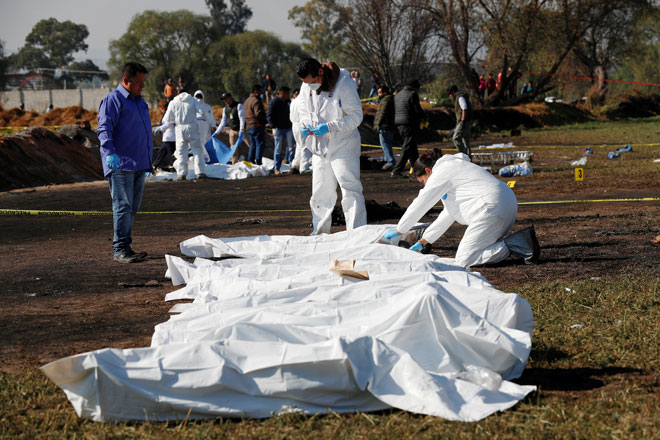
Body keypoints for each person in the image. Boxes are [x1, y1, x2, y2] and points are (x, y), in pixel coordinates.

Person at [383, 149, 539, 267]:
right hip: (504, 204)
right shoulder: (456, 168)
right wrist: (424, 241)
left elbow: (421, 203)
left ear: (428, 171)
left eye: (423, 181)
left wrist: (400, 229)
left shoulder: (442, 172)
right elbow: (449, 214)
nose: (425, 185)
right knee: (475, 250)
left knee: (464, 259)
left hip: (490, 207)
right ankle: (516, 243)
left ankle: (518, 244)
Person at [295, 57, 367, 234]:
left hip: (344, 145)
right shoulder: (307, 86)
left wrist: (329, 127)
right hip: (320, 148)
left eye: (312, 82)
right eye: (306, 83)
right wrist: (305, 124)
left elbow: (356, 116)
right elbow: (304, 112)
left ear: (320, 72)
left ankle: (356, 233)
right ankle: (320, 232)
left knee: (350, 188)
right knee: (320, 192)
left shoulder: (344, 83)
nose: (310, 86)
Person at [97, 62, 152, 263]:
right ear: (126, 80)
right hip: (120, 165)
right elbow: (104, 129)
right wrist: (109, 153)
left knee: (132, 208)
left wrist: (147, 161)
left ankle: (126, 246)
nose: (142, 86)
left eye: (143, 82)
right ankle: (119, 249)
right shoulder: (113, 100)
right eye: (138, 82)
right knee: (122, 206)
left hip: (139, 164)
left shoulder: (140, 102)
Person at [163, 88, 209, 180]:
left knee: (181, 152)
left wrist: (176, 120)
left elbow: (167, 118)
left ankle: (181, 174)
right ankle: (200, 172)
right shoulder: (193, 100)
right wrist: (206, 118)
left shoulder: (174, 102)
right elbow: (203, 112)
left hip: (180, 128)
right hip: (192, 127)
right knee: (197, 150)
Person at [391, 79, 425, 177]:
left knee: (412, 147)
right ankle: (396, 170)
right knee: (407, 147)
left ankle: (417, 170)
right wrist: (424, 117)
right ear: (415, 87)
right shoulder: (412, 94)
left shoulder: (398, 94)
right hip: (409, 123)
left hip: (398, 123)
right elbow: (417, 109)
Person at [214, 92, 248, 165]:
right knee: (233, 150)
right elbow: (223, 122)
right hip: (232, 131)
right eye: (224, 100)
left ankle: (254, 161)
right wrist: (217, 132)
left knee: (250, 145)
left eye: (226, 99)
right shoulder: (225, 109)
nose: (225, 101)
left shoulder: (239, 105)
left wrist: (242, 130)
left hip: (242, 131)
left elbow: (242, 118)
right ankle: (234, 165)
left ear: (230, 98)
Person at [267, 86, 295, 174]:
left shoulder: (288, 102)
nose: (287, 95)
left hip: (288, 128)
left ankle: (292, 167)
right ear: (280, 92)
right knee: (278, 149)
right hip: (278, 129)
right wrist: (273, 126)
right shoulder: (274, 102)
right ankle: (277, 168)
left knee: (291, 148)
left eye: (288, 93)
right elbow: (269, 115)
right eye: (286, 93)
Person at [289, 88, 312, 174]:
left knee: (299, 145)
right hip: (302, 123)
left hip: (294, 125)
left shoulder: (294, 101)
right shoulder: (303, 101)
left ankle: (295, 165)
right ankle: (304, 167)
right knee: (305, 145)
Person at [373, 85, 396, 170]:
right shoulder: (389, 99)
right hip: (388, 125)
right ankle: (388, 160)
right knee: (387, 144)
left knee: (385, 144)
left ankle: (390, 161)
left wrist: (377, 124)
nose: (378, 94)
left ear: (384, 92)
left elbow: (381, 113)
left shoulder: (385, 100)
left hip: (384, 126)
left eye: (380, 92)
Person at [244, 84, 267, 165]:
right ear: (255, 91)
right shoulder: (256, 101)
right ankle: (258, 163)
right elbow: (258, 114)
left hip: (249, 126)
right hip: (257, 126)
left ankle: (250, 162)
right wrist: (263, 121)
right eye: (260, 91)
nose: (262, 93)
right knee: (260, 144)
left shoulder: (247, 101)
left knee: (252, 145)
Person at [447, 85, 473, 158]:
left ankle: (463, 154)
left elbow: (464, 109)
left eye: (450, 93)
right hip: (465, 121)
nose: (450, 95)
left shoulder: (460, 97)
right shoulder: (460, 96)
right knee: (465, 140)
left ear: (453, 92)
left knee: (456, 138)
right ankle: (468, 157)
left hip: (464, 121)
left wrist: (462, 121)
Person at [152, 100, 176, 171]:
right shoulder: (167, 113)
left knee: (169, 156)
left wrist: (159, 128)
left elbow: (168, 124)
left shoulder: (168, 114)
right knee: (161, 152)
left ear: (162, 107)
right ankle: (154, 166)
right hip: (167, 137)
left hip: (170, 137)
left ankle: (178, 168)